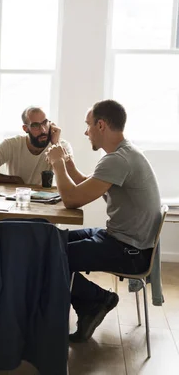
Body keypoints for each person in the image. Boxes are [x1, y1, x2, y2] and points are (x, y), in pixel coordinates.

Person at [45, 99, 161, 342]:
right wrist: (68, 164)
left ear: (101, 125)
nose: (86, 132)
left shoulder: (118, 159)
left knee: (51, 256)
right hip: (121, 239)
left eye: (88, 126)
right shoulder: (123, 153)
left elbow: (72, 200)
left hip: (130, 251)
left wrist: (57, 164)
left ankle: (97, 300)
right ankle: (90, 302)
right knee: (51, 239)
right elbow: (89, 184)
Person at [0, 106, 73, 239]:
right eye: (36, 126)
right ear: (26, 129)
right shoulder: (12, 144)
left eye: (45, 123)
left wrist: (55, 144)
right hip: (14, 210)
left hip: (45, 214)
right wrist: (15, 180)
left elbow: (72, 177)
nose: (43, 130)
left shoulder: (61, 146)